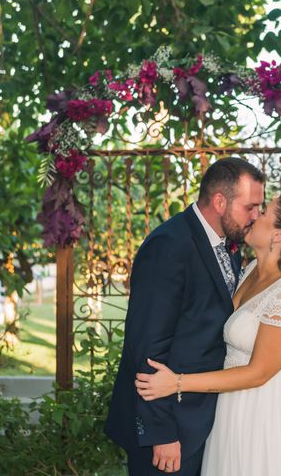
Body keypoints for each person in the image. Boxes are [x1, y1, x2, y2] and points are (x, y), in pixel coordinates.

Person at [135, 190, 281, 476]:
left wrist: (178, 383)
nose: (255, 215)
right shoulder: (252, 269)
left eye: (264, 212)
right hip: (232, 405)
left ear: (278, 235)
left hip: (266, 410)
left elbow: (258, 373)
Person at [104, 157, 265, 475]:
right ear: (220, 201)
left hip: (202, 419)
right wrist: (161, 432)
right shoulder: (169, 245)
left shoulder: (226, 245)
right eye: (250, 207)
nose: (256, 216)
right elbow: (147, 346)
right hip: (169, 428)